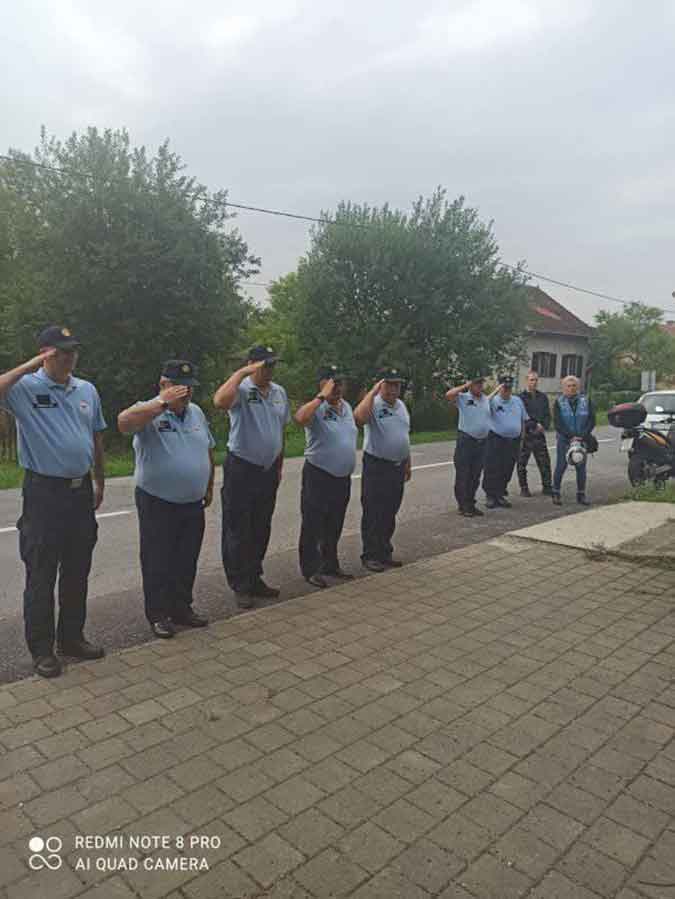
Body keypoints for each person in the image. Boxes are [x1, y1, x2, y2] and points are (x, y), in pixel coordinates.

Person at [0, 326, 106, 678]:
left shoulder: (87, 389)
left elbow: (96, 436)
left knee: (77, 569)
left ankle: (72, 638)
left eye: (73, 350)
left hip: (80, 491)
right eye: (61, 351)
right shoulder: (25, 388)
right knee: (42, 572)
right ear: (46, 353)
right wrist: (30, 365)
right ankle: (42, 650)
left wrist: (99, 480)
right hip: (44, 493)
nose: (69, 357)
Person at [118, 360, 214, 639]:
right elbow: (124, 423)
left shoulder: (196, 413)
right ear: (164, 384)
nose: (186, 393)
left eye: (190, 387)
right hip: (157, 500)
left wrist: (208, 485)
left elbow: (207, 449)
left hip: (192, 501)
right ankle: (158, 614)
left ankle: (181, 608)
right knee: (157, 559)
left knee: (186, 558)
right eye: (180, 387)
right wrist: (161, 403)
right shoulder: (148, 410)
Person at [213, 346, 290, 607]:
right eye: (265, 365)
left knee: (261, 526)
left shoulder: (279, 392)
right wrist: (241, 373)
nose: (270, 370)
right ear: (252, 365)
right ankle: (240, 584)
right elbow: (220, 401)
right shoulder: (242, 389)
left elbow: (280, 430)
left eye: (273, 365)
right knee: (238, 528)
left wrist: (279, 464)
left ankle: (254, 577)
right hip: (242, 468)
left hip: (268, 470)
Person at [294, 365, 357, 588]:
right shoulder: (316, 407)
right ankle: (311, 568)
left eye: (340, 383)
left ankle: (330, 563)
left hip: (342, 477)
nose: (337, 387)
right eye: (332, 382)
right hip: (319, 474)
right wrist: (321, 397)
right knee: (313, 523)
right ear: (322, 384)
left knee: (334, 523)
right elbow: (300, 418)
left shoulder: (346, 407)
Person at [354, 368, 411, 572]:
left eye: (397, 385)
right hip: (377, 466)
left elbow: (404, 435)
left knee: (389, 511)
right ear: (381, 385)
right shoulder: (374, 404)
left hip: (397, 466)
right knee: (373, 511)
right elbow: (358, 418)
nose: (394, 389)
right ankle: (370, 555)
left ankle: (384, 552)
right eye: (389, 384)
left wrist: (407, 461)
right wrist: (373, 392)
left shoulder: (401, 405)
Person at [446, 375, 491, 517]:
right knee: (463, 474)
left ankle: (471, 503)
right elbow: (449, 395)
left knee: (475, 475)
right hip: (466, 441)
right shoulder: (463, 397)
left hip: (481, 442)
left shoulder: (485, 399)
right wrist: (465, 385)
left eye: (481, 383)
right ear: (471, 385)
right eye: (476, 384)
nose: (479, 386)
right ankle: (463, 505)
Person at [482, 375, 529, 509]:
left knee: (507, 469)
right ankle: (490, 496)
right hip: (496, 439)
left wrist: (522, 438)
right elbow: (482, 404)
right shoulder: (493, 401)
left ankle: (499, 494)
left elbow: (523, 420)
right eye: (504, 387)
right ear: (499, 387)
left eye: (509, 388)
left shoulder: (517, 401)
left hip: (513, 441)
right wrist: (495, 391)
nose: (507, 390)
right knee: (492, 468)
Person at [552, 375, 596, 506]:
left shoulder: (586, 401)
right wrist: (571, 436)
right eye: (568, 386)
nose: (571, 388)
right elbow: (558, 423)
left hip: (582, 438)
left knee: (581, 467)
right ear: (563, 388)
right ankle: (556, 493)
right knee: (561, 466)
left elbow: (592, 420)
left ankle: (581, 494)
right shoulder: (558, 402)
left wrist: (582, 435)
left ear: (578, 387)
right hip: (565, 439)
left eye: (574, 386)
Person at [517, 370, 553, 496]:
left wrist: (544, 425)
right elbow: (522, 415)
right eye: (532, 380)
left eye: (536, 380)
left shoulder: (542, 397)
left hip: (539, 435)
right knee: (522, 463)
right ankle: (524, 488)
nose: (534, 382)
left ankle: (547, 486)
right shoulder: (520, 398)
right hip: (526, 434)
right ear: (526, 381)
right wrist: (533, 424)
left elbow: (547, 414)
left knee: (545, 462)